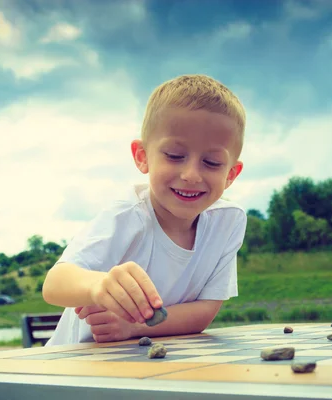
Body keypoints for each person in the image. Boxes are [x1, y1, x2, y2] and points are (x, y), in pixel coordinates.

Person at [42, 74, 248, 345]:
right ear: (142, 156)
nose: (191, 175)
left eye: (211, 162)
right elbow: (55, 284)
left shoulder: (228, 222)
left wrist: (133, 326)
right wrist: (97, 286)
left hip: (148, 367)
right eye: (174, 156)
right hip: (74, 369)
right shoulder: (126, 216)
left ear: (232, 174)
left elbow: (204, 311)